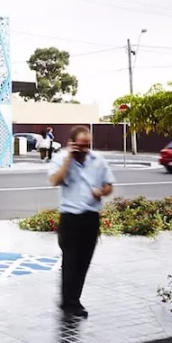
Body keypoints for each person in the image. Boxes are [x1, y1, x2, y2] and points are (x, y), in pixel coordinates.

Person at [47, 126, 115, 318]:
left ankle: (74, 299)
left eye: (88, 145)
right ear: (72, 143)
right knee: (70, 261)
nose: (85, 149)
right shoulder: (61, 158)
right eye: (81, 145)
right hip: (70, 218)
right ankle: (68, 302)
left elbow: (109, 185)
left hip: (91, 217)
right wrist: (69, 158)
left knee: (84, 261)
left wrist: (101, 192)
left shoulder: (98, 161)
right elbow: (55, 180)